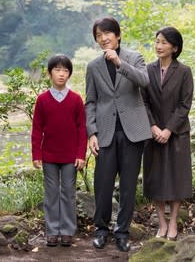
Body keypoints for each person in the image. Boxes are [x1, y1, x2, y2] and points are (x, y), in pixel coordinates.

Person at [85, 17, 152, 252]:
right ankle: (101, 230)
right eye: (99, 36)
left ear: (118, 35)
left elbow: (144, 81)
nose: (104, 38)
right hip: (105, 133)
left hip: (132, 132)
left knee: (127, 186)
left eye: (107, 34)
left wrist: (119, 62)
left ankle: (122, 232)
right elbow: (90, 102)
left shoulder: (134, 57)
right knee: (102, 185)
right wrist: (91, 132)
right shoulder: (93, 66)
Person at [141, 26, 193, 241]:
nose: (158, 46)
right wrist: (153, 126)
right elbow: (142, 101)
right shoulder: (147, 70)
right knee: (156, 179)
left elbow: (184, 104)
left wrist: (168, 129)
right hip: (153, 134)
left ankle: (173, 223)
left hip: (177, 133)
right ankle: (161, 222)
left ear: (175, 47)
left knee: (176, 178)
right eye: (157, 41)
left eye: (163, 42)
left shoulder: (184, 71)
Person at [31, 54, 87, 247]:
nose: (61, 74)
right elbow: (37, 129)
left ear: (69, 74)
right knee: (51, 193)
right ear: (49, 73)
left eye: (65, 71)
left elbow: (82, 129)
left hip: (71, 156)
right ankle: (52, 231)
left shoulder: (76, 99)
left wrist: (81, 154)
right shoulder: (42, 100)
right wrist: (36, 155)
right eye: (57, 70)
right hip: (49, 156)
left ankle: (67, 231)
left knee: (69, 193)